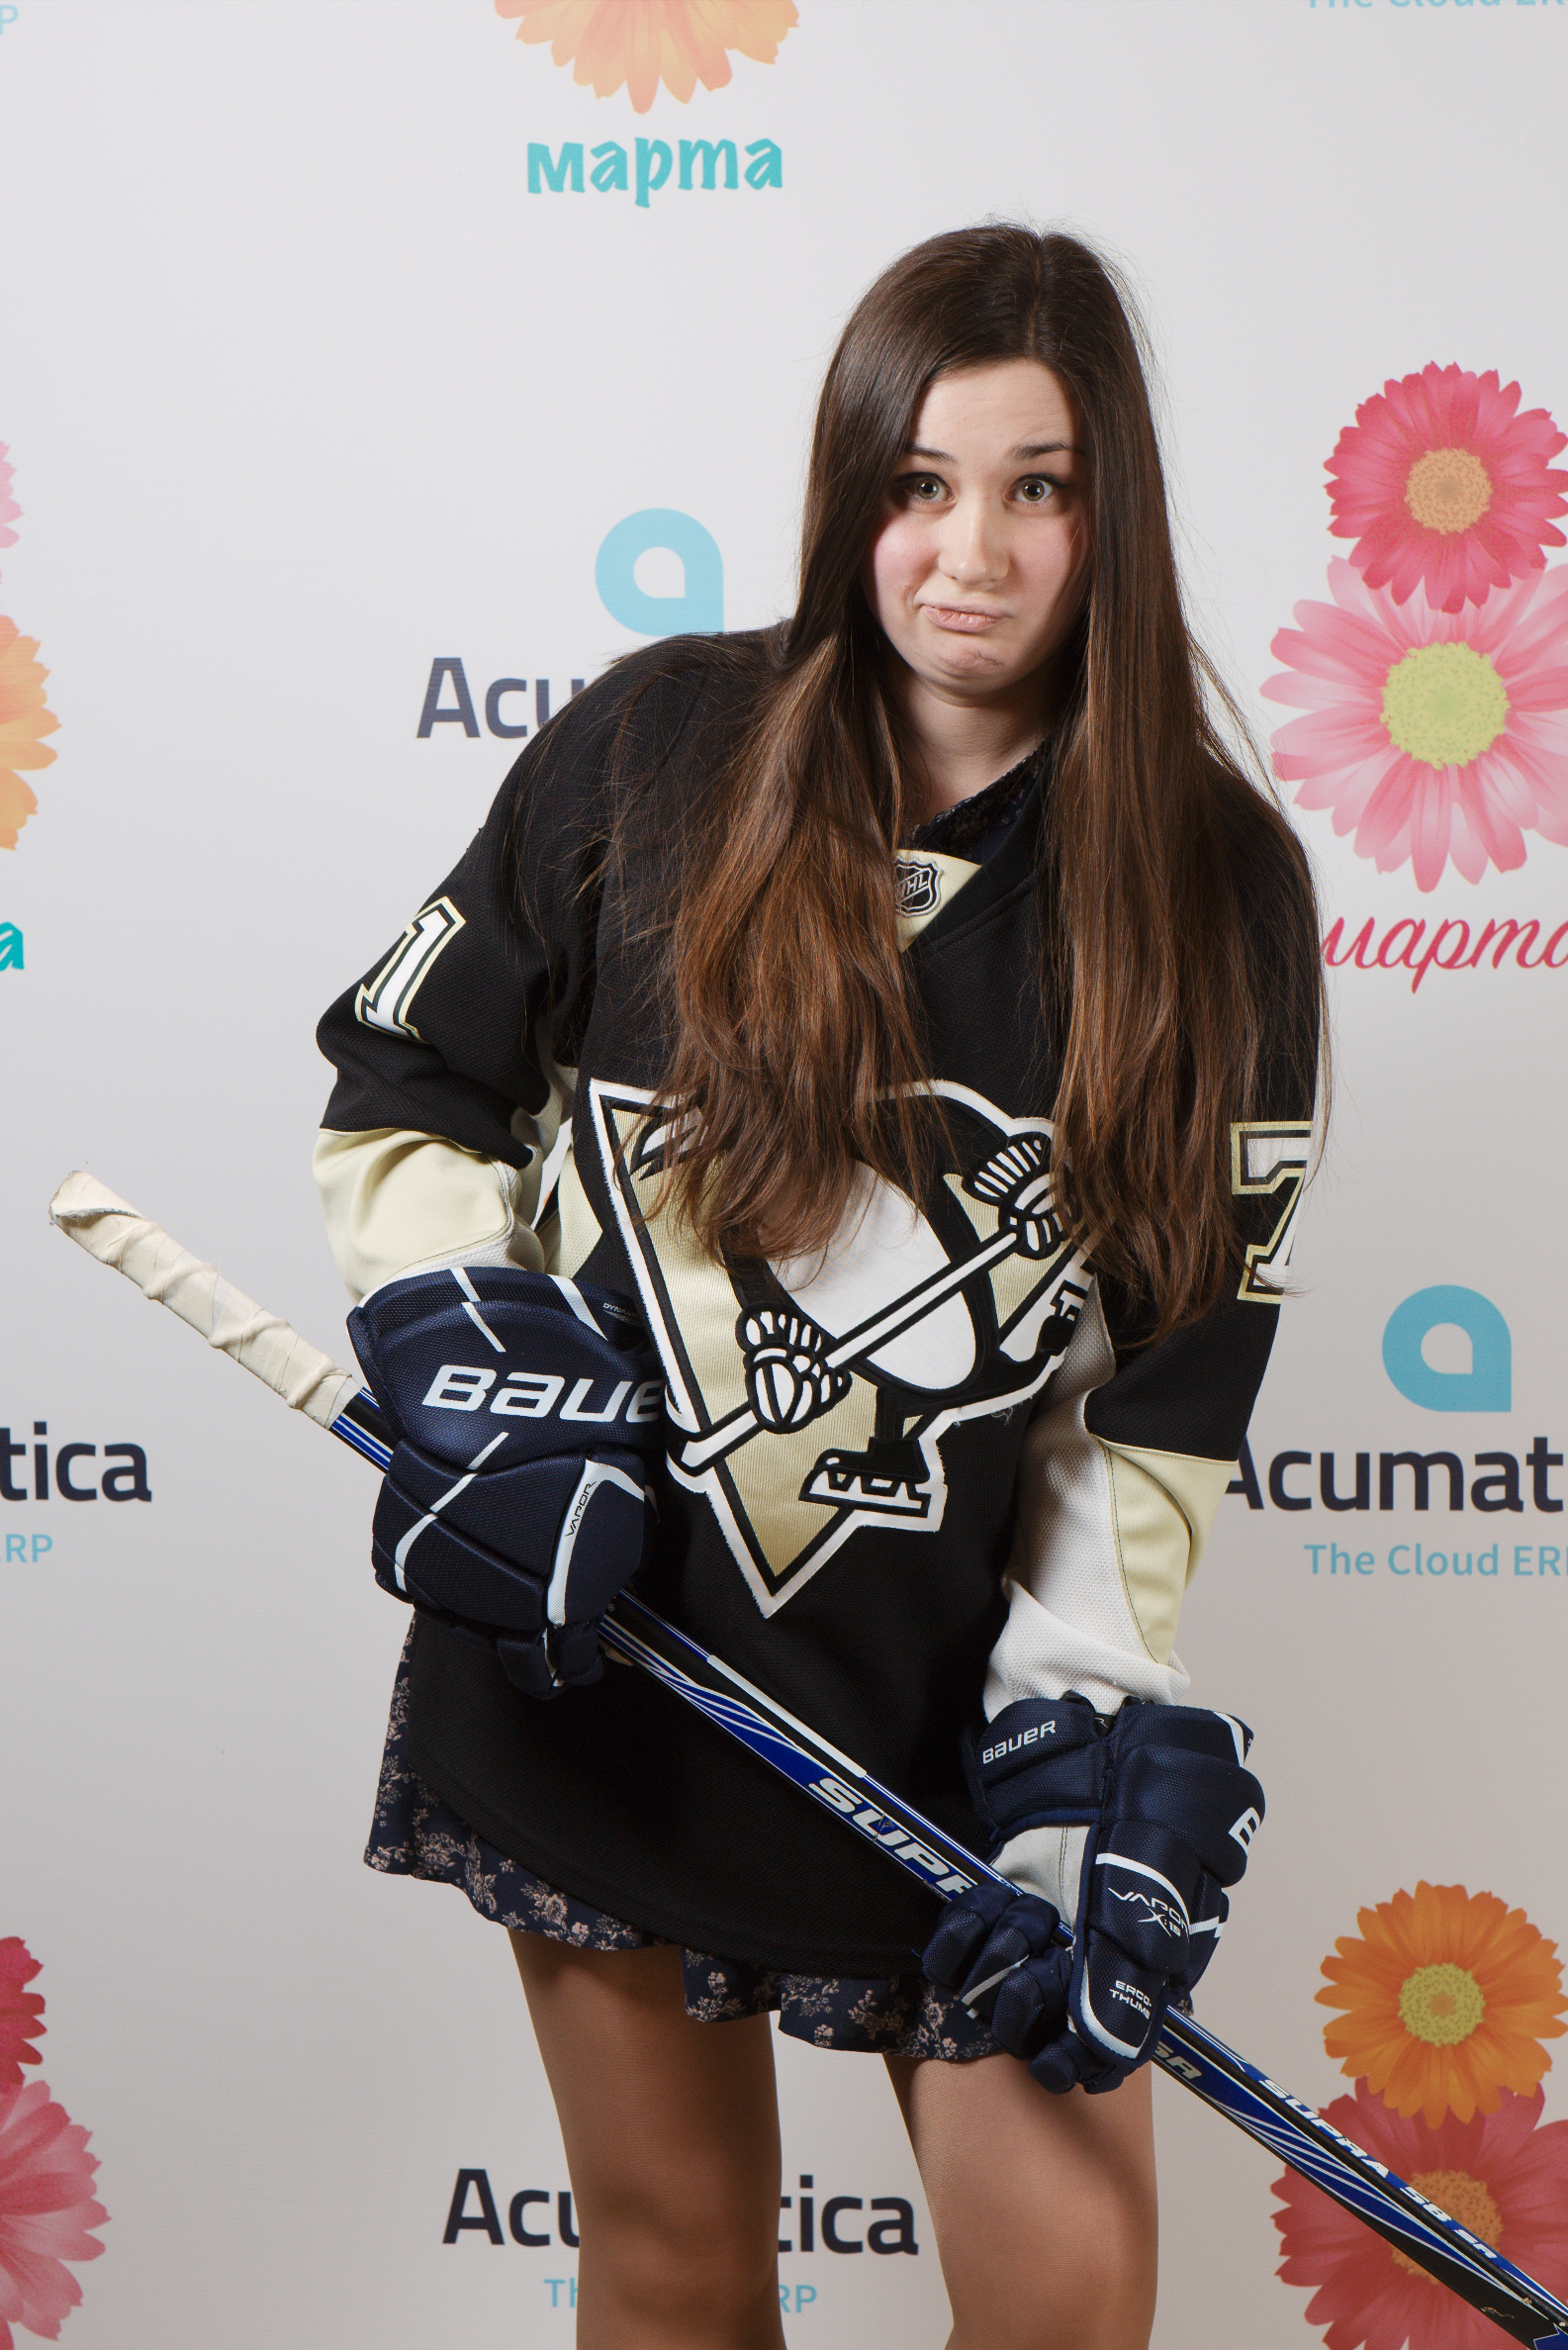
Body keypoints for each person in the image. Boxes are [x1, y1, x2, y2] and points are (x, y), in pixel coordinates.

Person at [314, 225, 1324, 2350]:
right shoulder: (651, 745)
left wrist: (1078, 1713)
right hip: (619, 1672)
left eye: (1039, 489)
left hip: (942, 1733)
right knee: (680, 2275)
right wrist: (470, 1353)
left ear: (1112, 514)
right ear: (851, 487)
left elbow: (1162, 1387)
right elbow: (407, 1093)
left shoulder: (1218, 886)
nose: (972, 556)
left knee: (1067, 2307)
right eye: (919, 484)